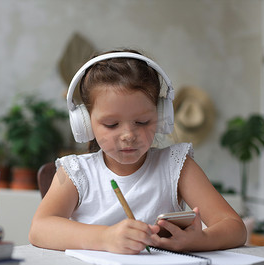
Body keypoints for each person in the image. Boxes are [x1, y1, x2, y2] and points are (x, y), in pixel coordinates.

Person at [29, 49, 246, 254]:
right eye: (112, 124)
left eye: (142, 122)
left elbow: (235, 227)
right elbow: (40, 229)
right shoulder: (76, 172)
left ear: (161, 117)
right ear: (85, 124)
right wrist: (105, 238)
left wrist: (201, 240)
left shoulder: (177, 166)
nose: (128, 135)